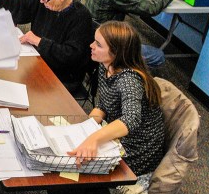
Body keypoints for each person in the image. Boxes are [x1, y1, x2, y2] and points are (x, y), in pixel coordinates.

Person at [69, 21, 166, 182]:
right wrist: (87, 128)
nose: (91, 45)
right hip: (120, 135)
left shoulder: (128, 80)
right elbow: (103, 105)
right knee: (76, 152)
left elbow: (131, 119)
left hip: (137, 149)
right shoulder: (105, 65)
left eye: (98, 45)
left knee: (75, 165)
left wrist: (94, 138)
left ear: (116, 52)